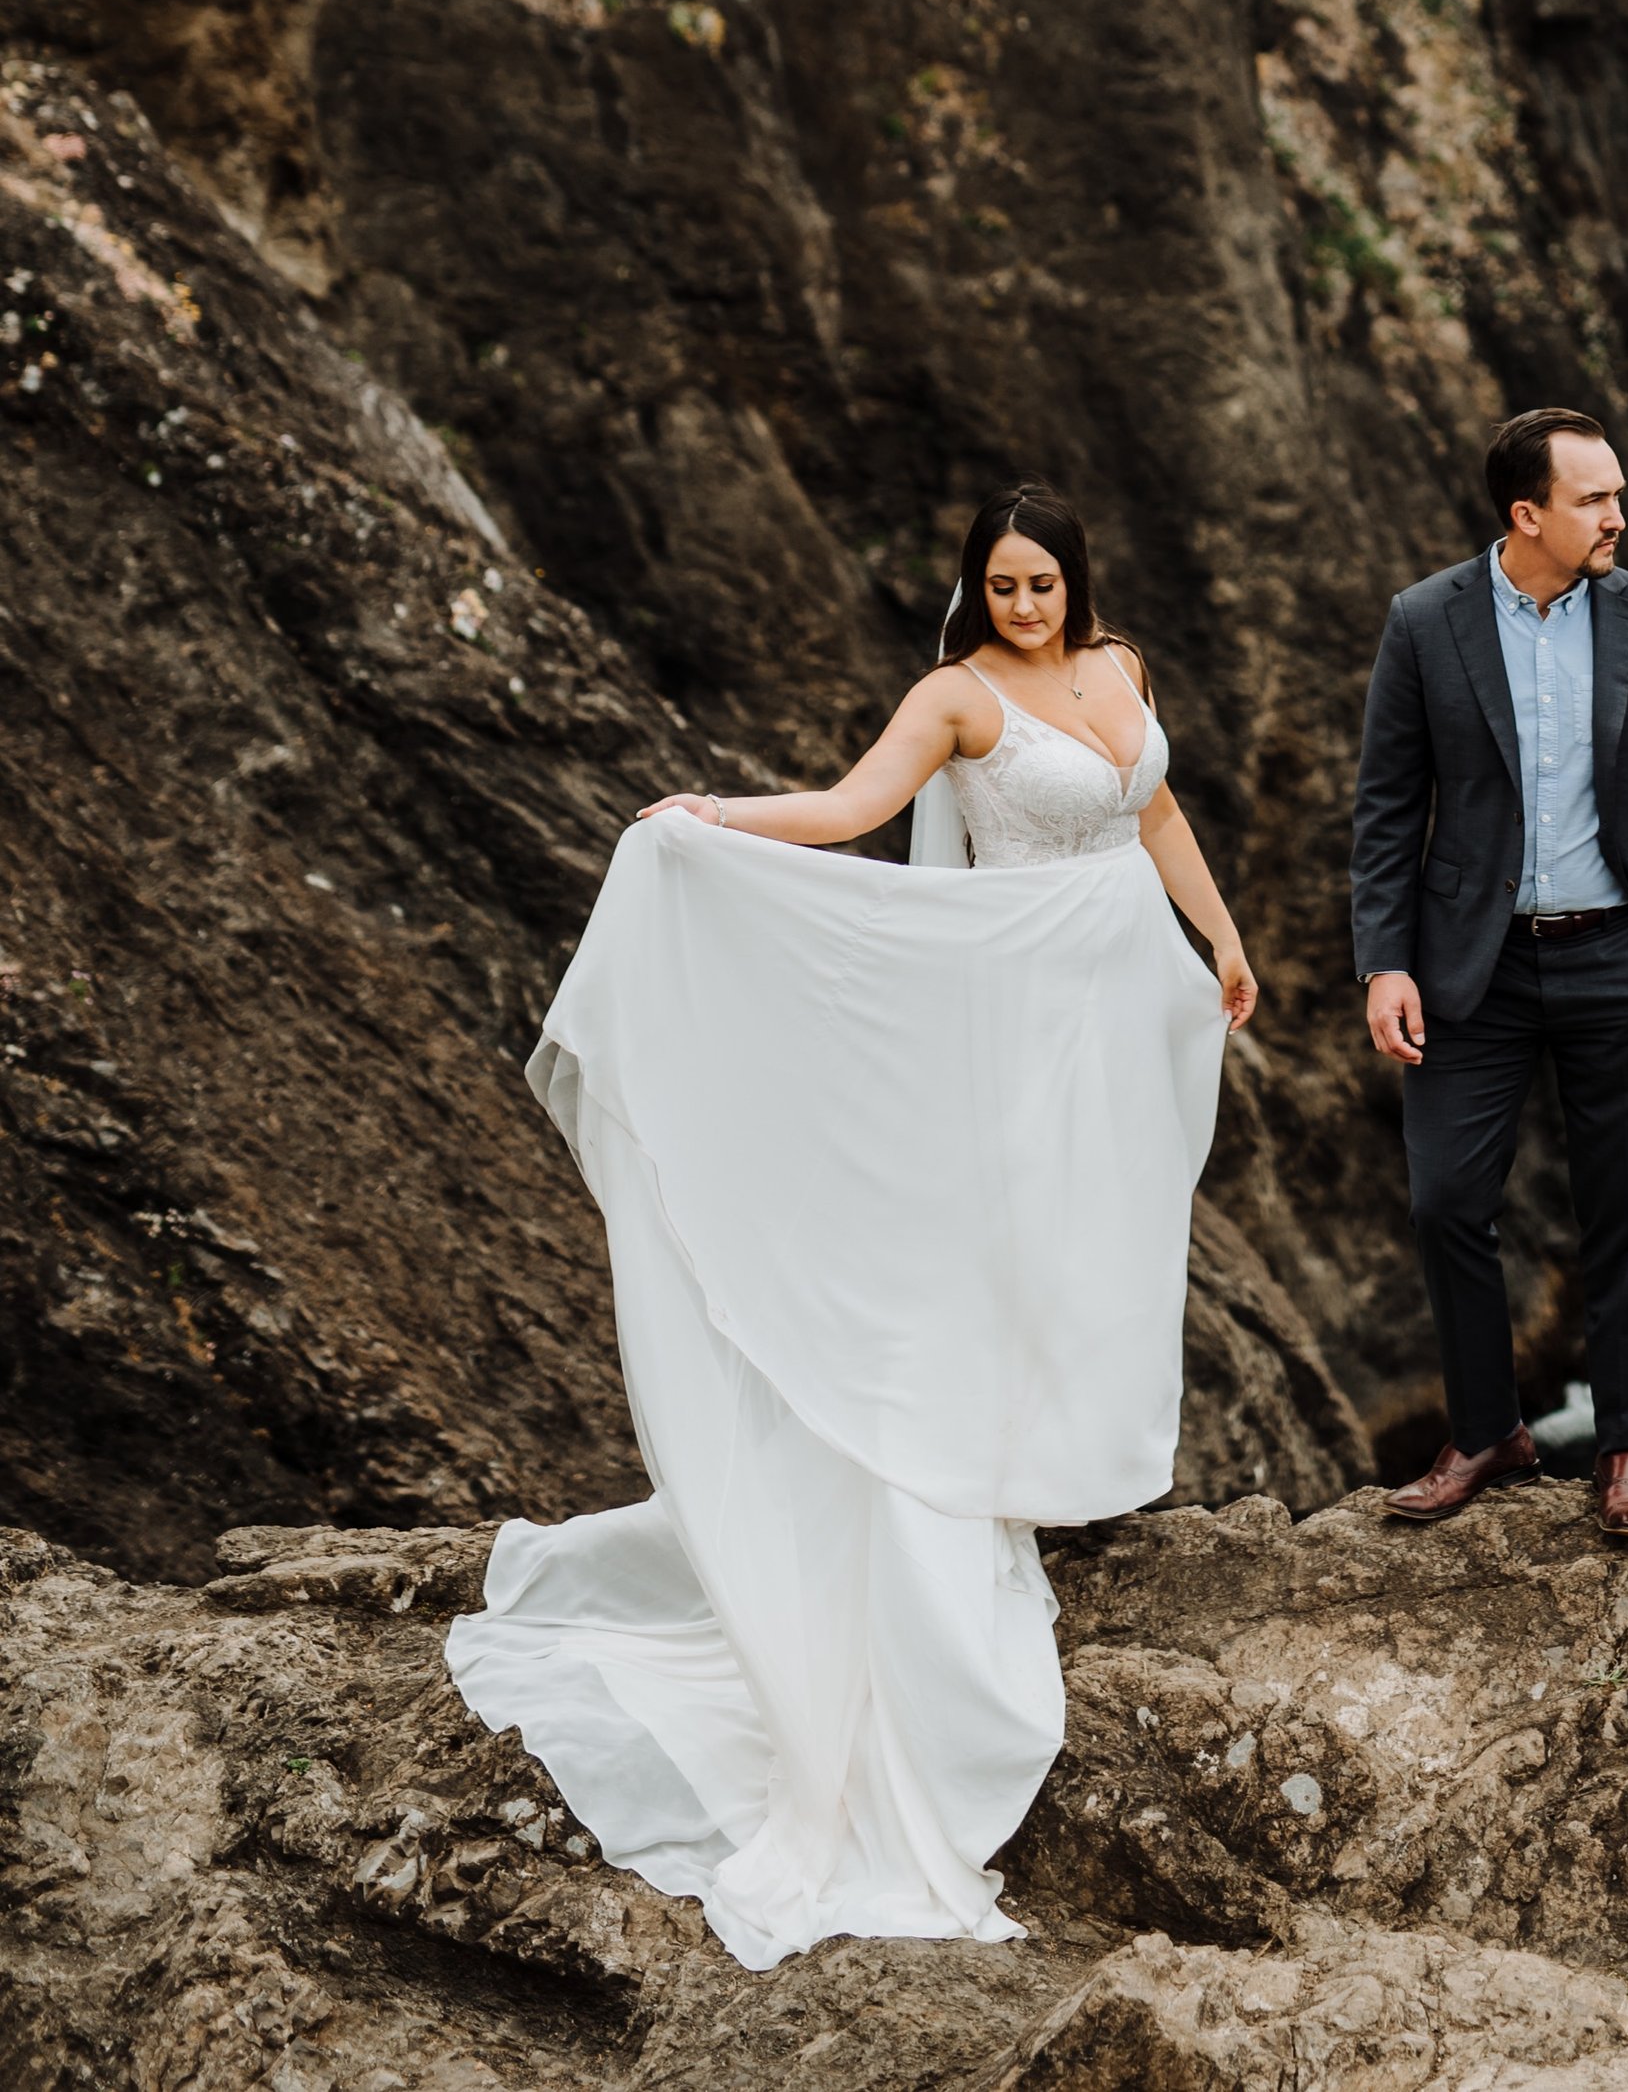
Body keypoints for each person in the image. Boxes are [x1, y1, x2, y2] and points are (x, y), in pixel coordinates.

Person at [444, 480, 1255, 1969]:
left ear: (1076, 581)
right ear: (976, 590)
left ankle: (1013, 1463)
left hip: (1114, 999)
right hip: (1008, 1011)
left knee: (1085, 1250)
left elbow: (1154, 807)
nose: (1024, 605)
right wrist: (709, 817)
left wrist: (1219, 930)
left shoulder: (1120, 668)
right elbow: (849, 808)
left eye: (1042, 584)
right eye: (1001, 586)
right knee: (986, 1253)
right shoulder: (954, 695)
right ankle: (949, 1497)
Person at [1351, 407, 1628, 1544]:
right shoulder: (1425, 621)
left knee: (1623, 1207)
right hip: (1469, 969)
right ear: (1526, 515)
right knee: (1446, 1202)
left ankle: (1627, 1445)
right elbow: (1385, 811)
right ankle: (1487, 1431)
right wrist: (1385, 964)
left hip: (1621, 955)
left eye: (1616, 494)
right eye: (1593, 500)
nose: (1619, 516)